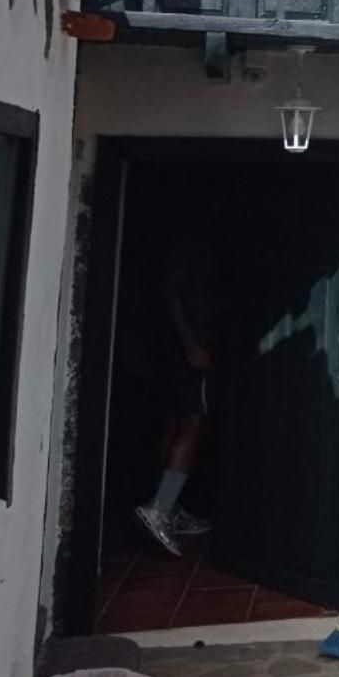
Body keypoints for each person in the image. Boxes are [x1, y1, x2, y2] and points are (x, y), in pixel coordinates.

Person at [135, 229, 218, 556]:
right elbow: (171, 292)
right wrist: (191, 345)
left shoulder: (195, 244)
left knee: (176, 422)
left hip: (177, 350)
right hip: (186, 351)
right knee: (193, 423)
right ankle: (161, 507)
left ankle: (169, 505)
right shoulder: (191, 242)